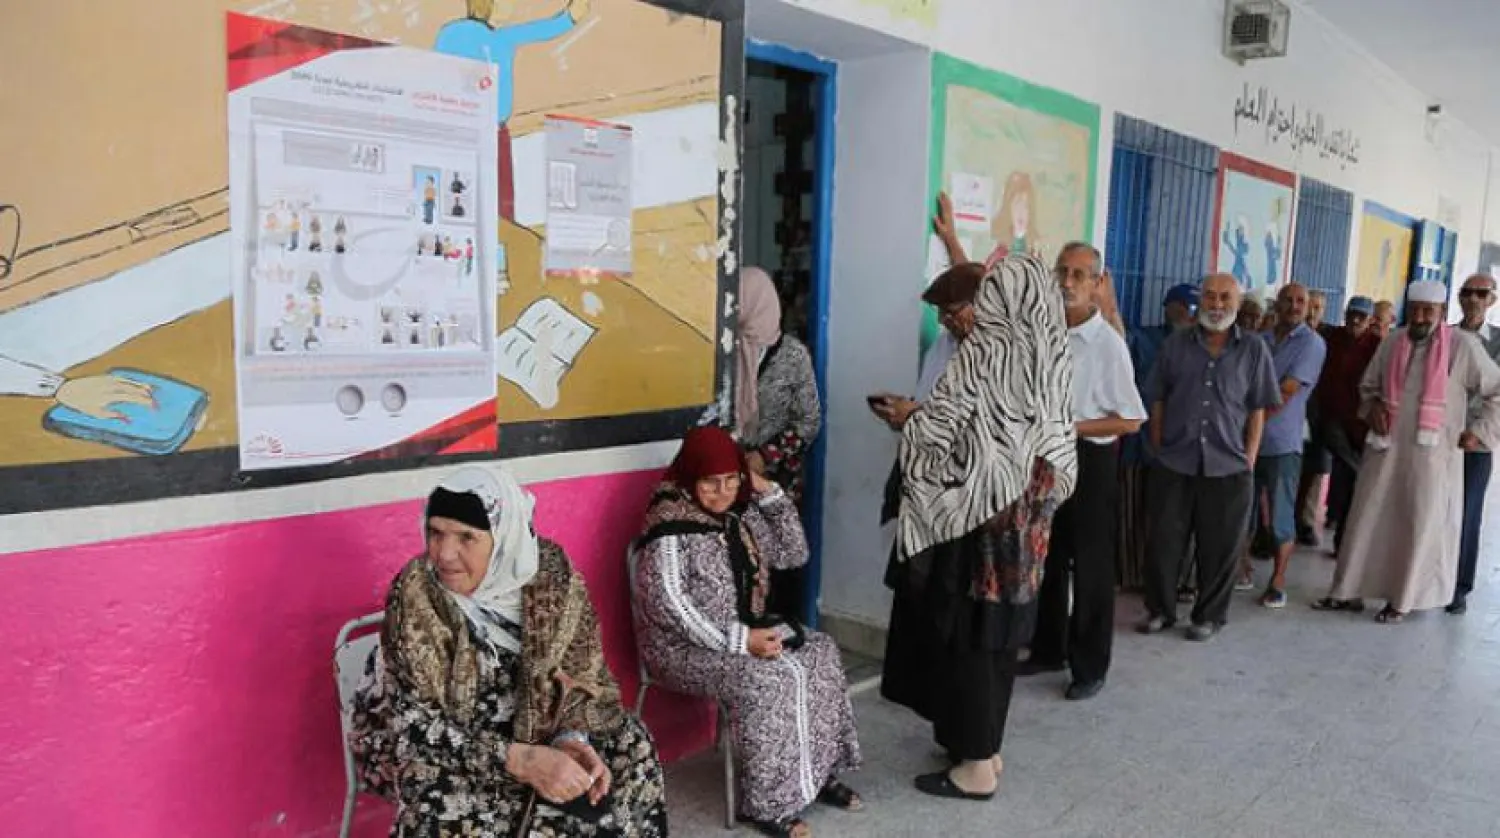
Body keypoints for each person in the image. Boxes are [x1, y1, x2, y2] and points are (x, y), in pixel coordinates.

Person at [349, 468, 669, 837]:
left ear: (504, 537)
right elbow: (415, 730)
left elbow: (584, 675)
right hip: (441, 749)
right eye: (436, 533)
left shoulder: (551, 577)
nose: (445, 554)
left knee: (630, 743)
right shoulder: (417, 597)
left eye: (466, 537)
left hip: (536, 730)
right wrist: (522, 760)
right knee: (468, 804)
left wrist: (571, 739)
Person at [882, 255, 1076, 802]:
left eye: (955, 312)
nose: (949, 323)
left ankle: (977, 768)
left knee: (978, 640)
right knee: (989, 642)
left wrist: (913, 423)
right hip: (1015, 529)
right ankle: (981, 748)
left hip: (994, 530)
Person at [632, 426, 861, 838]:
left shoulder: (741, 513)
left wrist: (766, 489)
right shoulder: (666, 524)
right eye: (710, 482)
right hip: (681, 649)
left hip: (745, 631)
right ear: (689, 478)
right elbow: (669, 606)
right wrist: (741, 642)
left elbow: (794, 554)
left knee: (821, 652)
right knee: (768, 678)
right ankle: (768, 804)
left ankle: (817, 772)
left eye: (731, 479)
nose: (721, 492)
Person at [1315, 281, 1500, 623]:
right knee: (1365, 520)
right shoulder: (1393, 341)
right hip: (1384, 453)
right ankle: (1348, 592)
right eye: (1414, 310)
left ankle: (1402, 600)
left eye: (1428, 311)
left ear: (1441, 313)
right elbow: (1368, 387)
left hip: (1431, 459)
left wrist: (1480, 432)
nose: (1420, 317)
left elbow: (1496, 390)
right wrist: (1371, 409)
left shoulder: (1461, 346)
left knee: (1415, 525)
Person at [1023, 243, 1145, 701]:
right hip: (1044, 458)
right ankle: (1047, 647)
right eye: (1063, 272)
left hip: (1089, 460)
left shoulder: (1107, 344)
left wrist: (1069, 426)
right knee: (1046, 556)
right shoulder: (1045, 331)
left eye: (1079, 275)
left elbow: (1130, 419)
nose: (1068, 282)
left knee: (1091, 566)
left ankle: (1090, 664)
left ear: (1097, 284)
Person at [1138, 273, 1279, 641]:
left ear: (1238, 302)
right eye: (1211, 297)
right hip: (1175, 460)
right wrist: (1157, 446)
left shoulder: (1253, 349)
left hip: (1229, 466)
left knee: (1220, 548)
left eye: (1225, 298)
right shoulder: (1176, 344)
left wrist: (1249, 456)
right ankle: (1160, 611)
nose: (1217, 305)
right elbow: (1157, 397)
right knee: (1165, 542)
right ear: (1200, 300)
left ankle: (1209, 616)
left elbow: (1258, 408)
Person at [735, 266, 822, 622]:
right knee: (740, 559)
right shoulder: (722, 351)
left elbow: (808, 420)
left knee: (778, 558)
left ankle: (781, 630)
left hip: (776, 480)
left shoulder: (792, 355)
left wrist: (764, 456)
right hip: (728, 478)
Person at [1240, 283, 1326, 607]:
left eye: (1300, 301)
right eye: (1288, 300)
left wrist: (1250, 418)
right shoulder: (1259, 341)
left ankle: (1278, 579)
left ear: (1308, 308)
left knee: (1280, 514)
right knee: (1242, 510)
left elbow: (1285, 392)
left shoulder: (1312, 344)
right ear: (1277, 304)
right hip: (1245, 442)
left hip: (1281, 442)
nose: (1294, 305)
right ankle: (1241, 568)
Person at [1120, 283, 1199, 593]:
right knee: (1132, 513)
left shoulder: (1200, 347)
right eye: (1183, 307)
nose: (1188, 315)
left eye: (1192, 309)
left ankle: (1176, 581)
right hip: (1139, 443)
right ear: (1169, 307)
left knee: (1175, 520)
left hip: (1181, 447)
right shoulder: (1144, 339)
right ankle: (1132, 575)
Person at [1315, 296, 1382, 558]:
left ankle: (1346, 542)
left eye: (1361, 316)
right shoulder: (1331, 338)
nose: (1355, 320)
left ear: (1370, 320)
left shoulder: (1378, 346)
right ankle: (1342, 541)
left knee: (1350, 484)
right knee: (1349, 475)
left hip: (1362, 424)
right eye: (1351, 314)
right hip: (1333, 419)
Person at [1450, 274, 1500, 614]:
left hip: (1476, 443)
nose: (1473, 299)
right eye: (1466, 293)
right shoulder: (1447, 337)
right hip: (1442, 439)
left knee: (1467, 514)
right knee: (1437, 512)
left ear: (1492, 300)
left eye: (1480, 294)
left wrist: (1479, 433)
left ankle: (1459, 588)